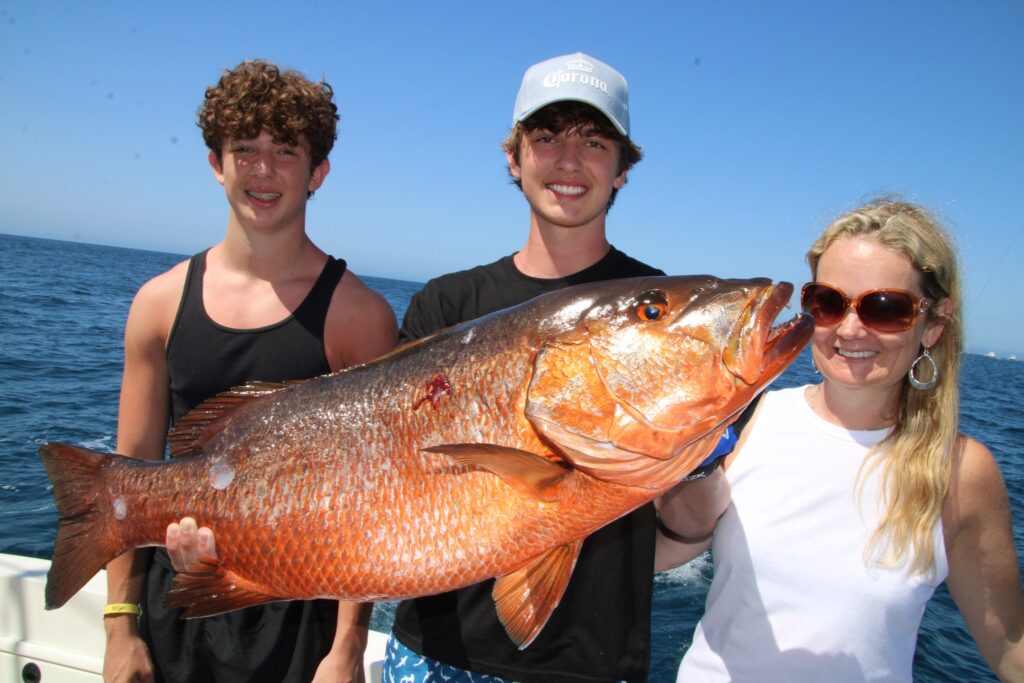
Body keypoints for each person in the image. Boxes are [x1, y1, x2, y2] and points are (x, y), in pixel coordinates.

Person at [383, 52, 731, 683]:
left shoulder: (666, 312)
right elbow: (379, 476)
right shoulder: (445, 303)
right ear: (513, 158)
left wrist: (703, 460)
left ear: (623, 169)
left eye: (594, 142)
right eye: (546, 138)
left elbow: (686, 528)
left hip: (592, 666)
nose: (569, 161)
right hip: (434, 652)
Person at [102, 59, 397, 683]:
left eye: (286, 151)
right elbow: (125, 480)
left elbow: (372, 499)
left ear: (317, 172)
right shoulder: (158, 304)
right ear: (216, 163)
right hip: (176, 607)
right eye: (245, 149)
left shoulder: (359, 316)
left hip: (302, 619)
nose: (264, 170)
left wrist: (346, 648)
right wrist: (120, 626)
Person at [659, 199, 1024, 682]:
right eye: (828, 302)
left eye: (885, 308)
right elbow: (662, 555)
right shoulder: (745, 421)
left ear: (933, 324)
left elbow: (1009, 644)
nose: (850, 329)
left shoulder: (960, 471)